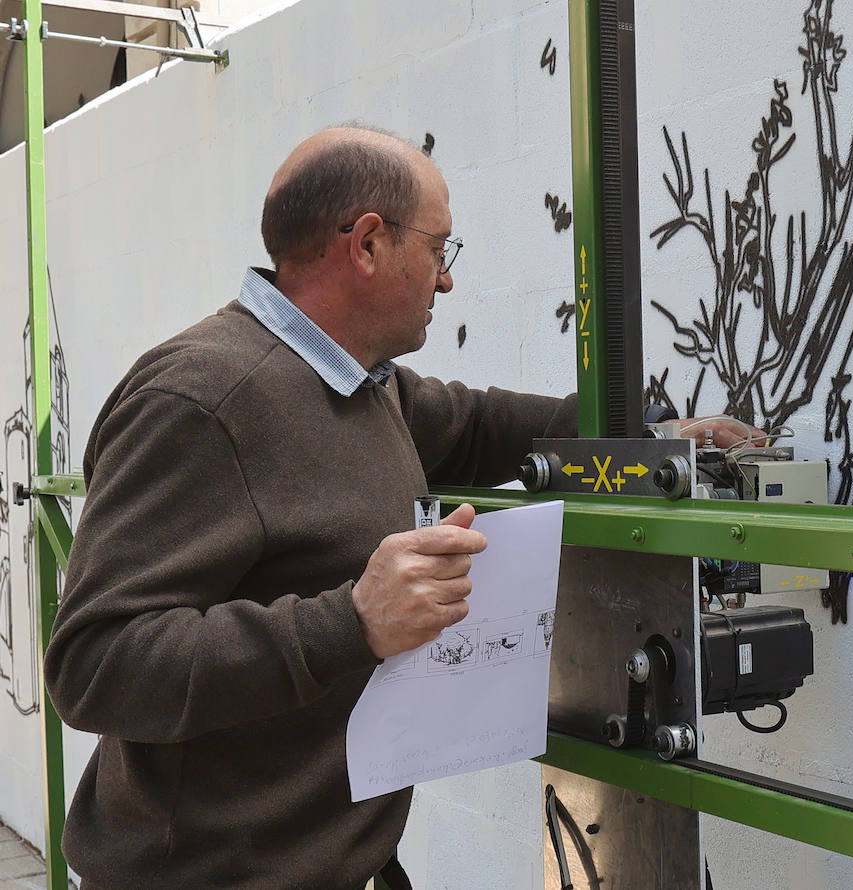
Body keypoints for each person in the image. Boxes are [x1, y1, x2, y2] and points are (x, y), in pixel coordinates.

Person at [44, 125, 755, 890]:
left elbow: (479, 423)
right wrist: (349, 622)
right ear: (369, 245)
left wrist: (640, 434)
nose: (446, 280)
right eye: (439, 247)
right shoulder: (203, 401)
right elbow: (93, 665)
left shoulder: (360, 384)